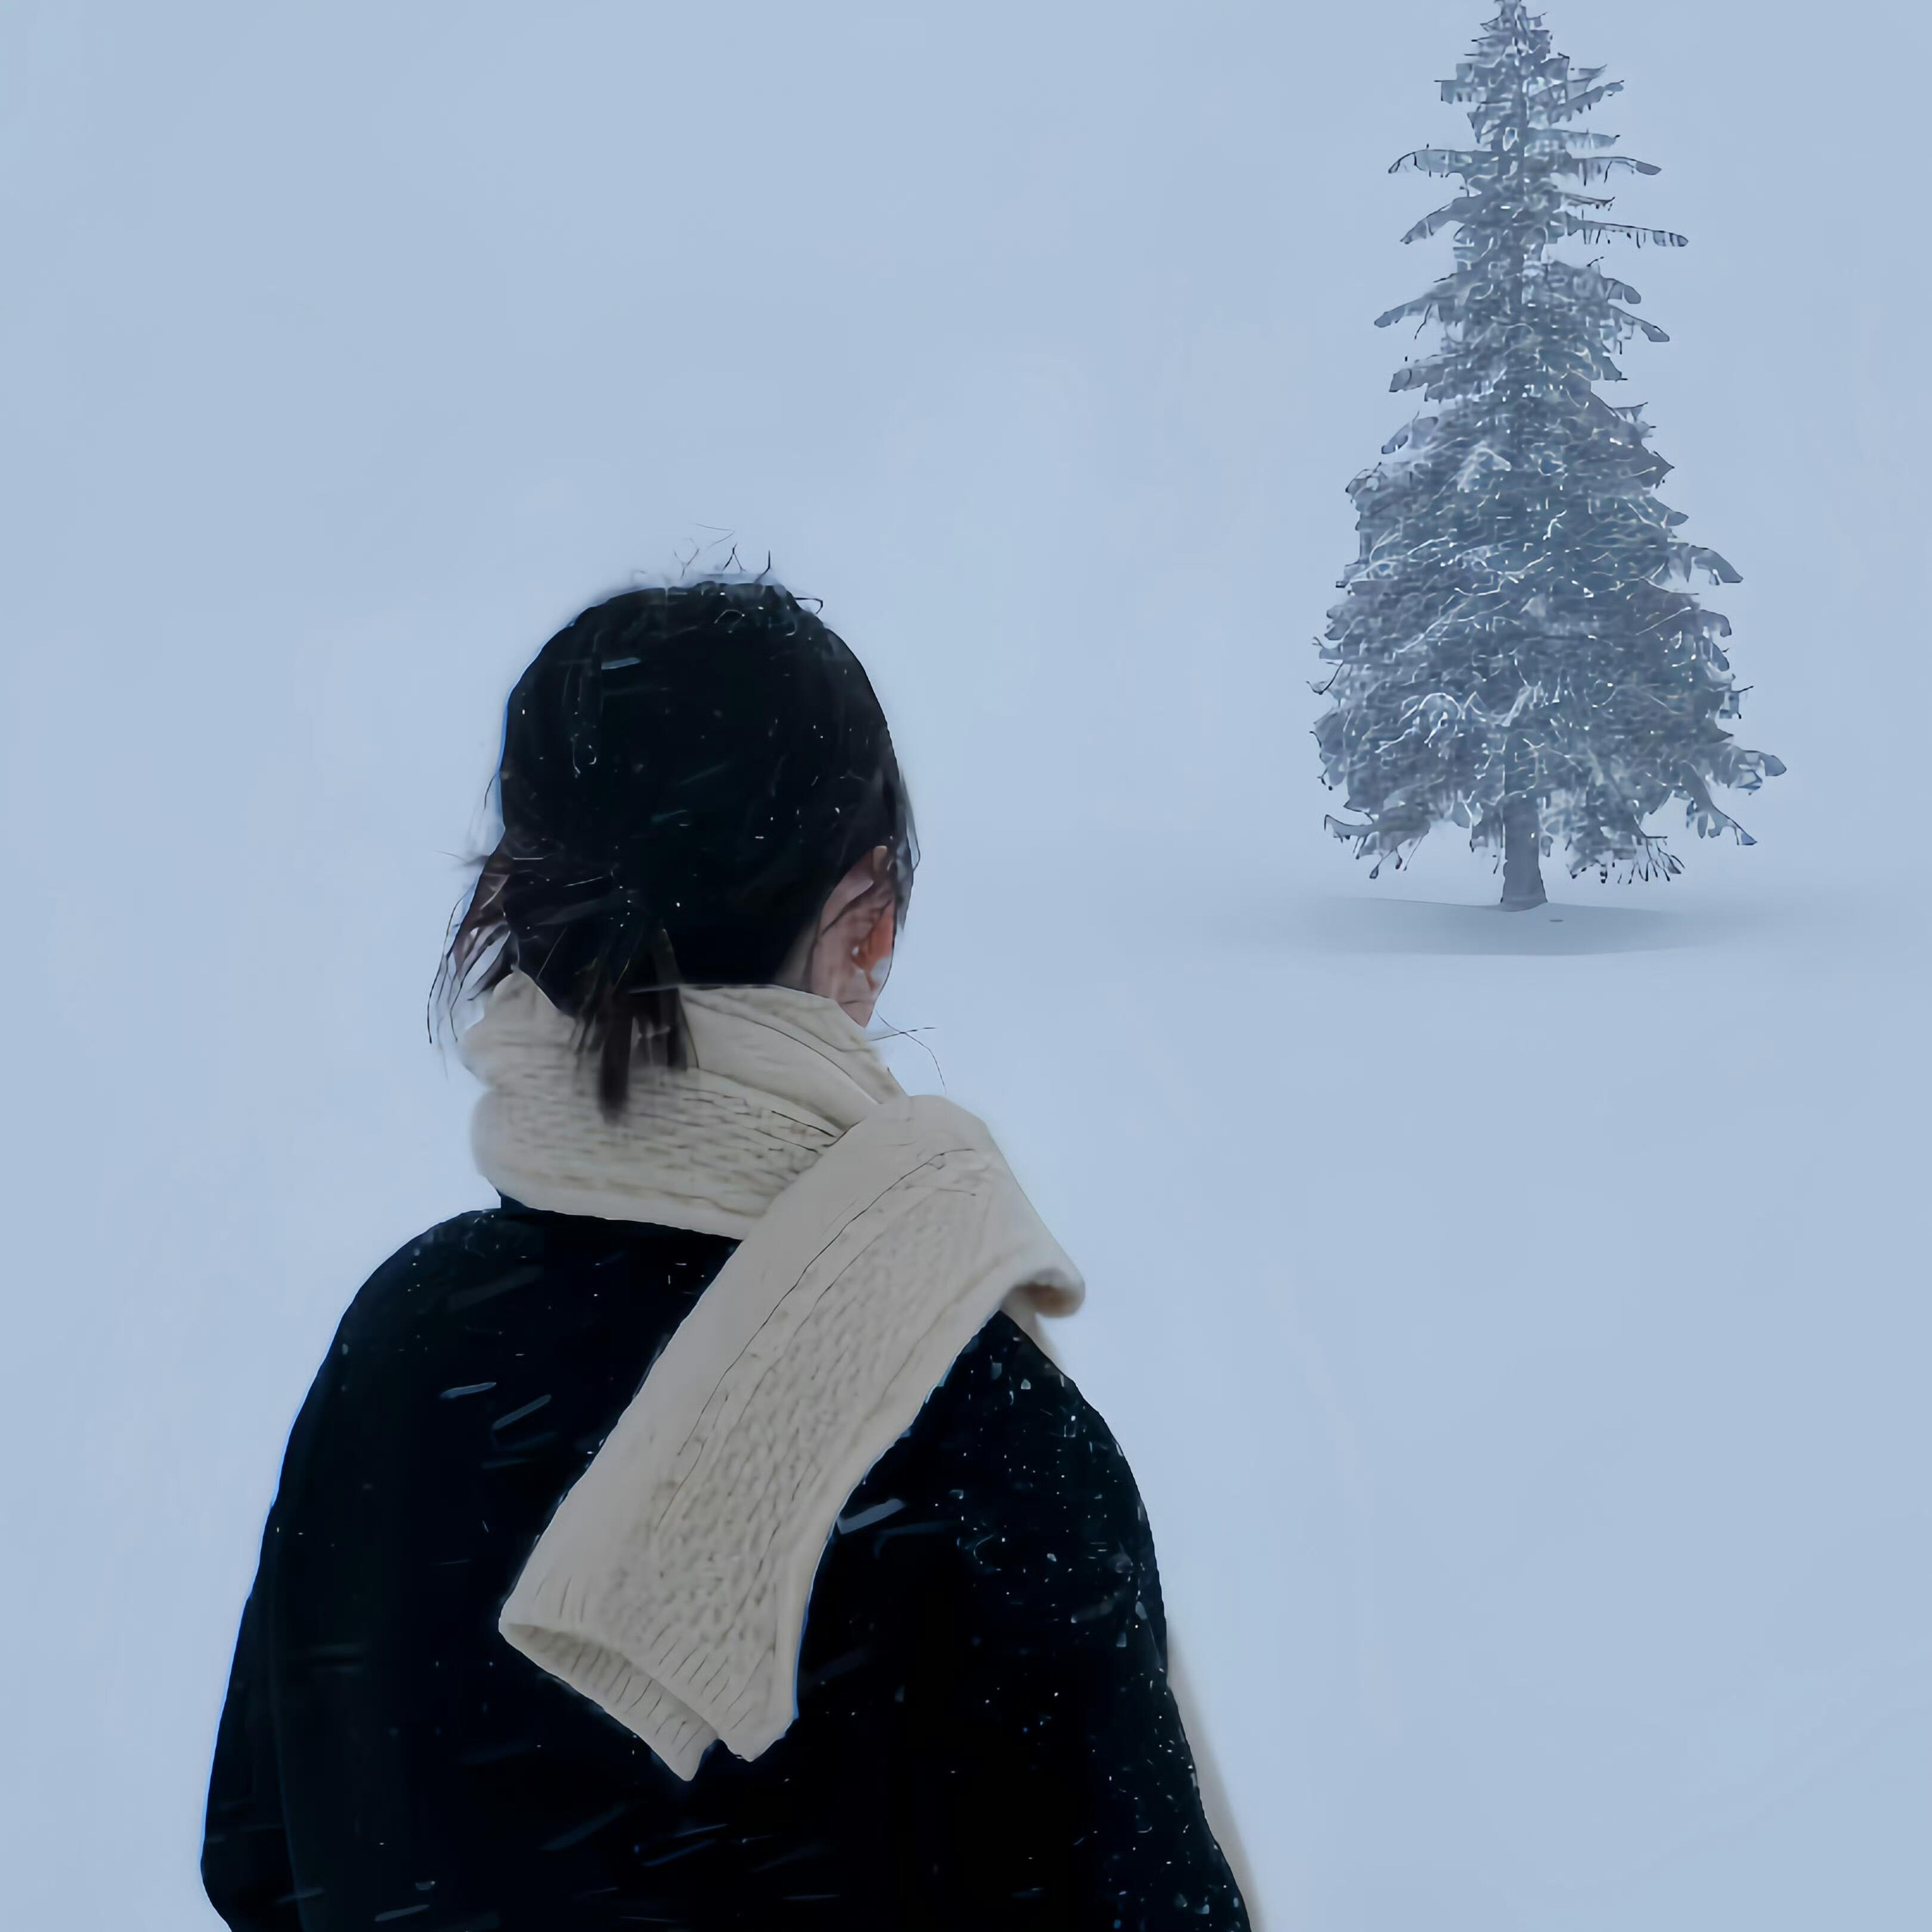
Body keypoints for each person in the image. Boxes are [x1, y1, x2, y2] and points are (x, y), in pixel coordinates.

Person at [201, 578, 1253, 1931]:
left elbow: (262, 1860)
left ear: (524, 908)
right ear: (868, 921)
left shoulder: (402, 1344)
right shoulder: (985, 1438)